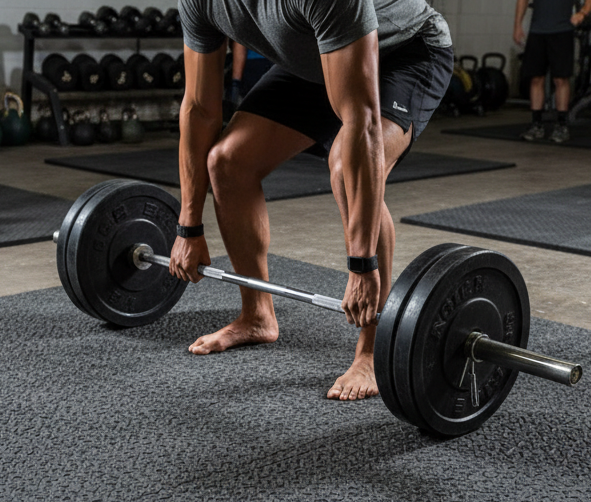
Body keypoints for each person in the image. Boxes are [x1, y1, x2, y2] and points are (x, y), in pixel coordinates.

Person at [172, 0, 453, 401]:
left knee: (344, 167)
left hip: (403, 52)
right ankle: (257, 316)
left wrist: (362, 265)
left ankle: (374, 350)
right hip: (314, 60)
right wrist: (188, 226)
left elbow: (363, 121)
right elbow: (199, 108)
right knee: (228, 161)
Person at [514, 0, 591, 143]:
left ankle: (561, 125)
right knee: (536, 78)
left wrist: (583, 12)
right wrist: (517, 25)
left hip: (562, 30)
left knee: (560, 79)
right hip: (537, 30)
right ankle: (536, 124)